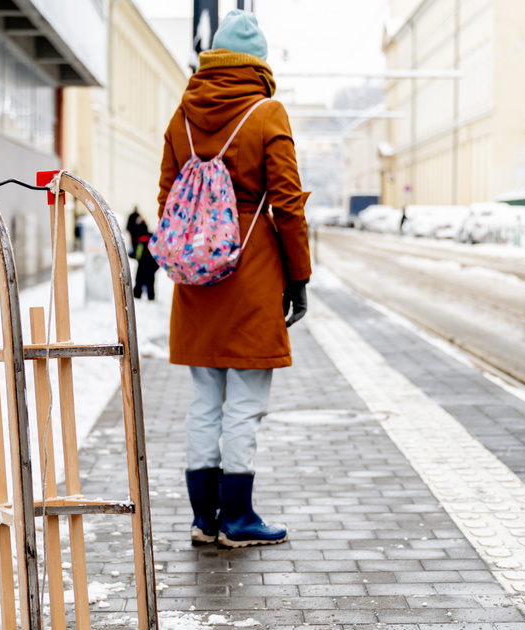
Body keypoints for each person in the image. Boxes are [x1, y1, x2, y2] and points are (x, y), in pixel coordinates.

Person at [157, 10, 312, 548]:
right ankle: (240, 519)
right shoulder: (269, 114)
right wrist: (299, 278)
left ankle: (205, 519)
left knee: (204, 401)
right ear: (259, 65)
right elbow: (287, 206)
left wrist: (188, 253)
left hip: (198, 277)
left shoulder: (182, 115)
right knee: (245, 402)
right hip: (252, 273)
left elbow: (167, 200)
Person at [126, 207, 159, 300]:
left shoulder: (140, 242)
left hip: (143, 265)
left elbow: (138, 255)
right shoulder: (151, 238)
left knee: (139, 280)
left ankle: (137, 295)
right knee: (151, 282)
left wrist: (131, 255)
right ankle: (151, 296)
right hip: (152, 265)